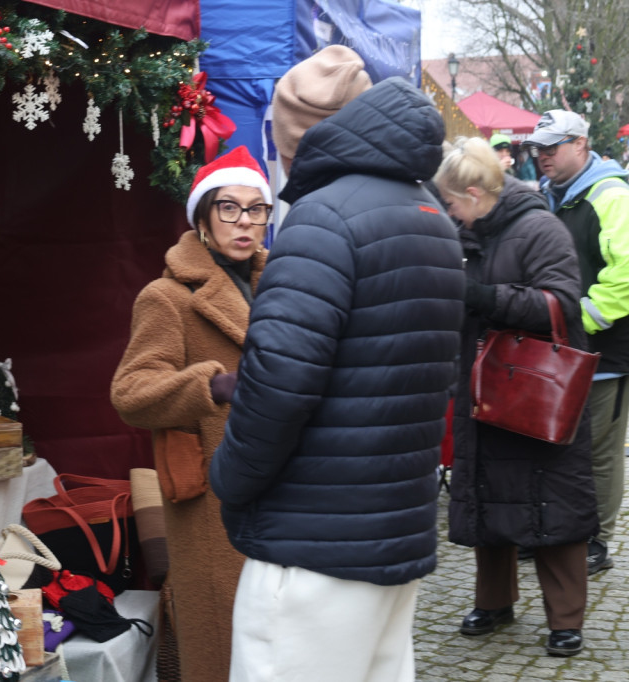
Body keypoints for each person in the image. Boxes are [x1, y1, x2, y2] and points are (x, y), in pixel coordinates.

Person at [209, 45, 465, 682]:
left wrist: (230, 478)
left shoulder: (322, 219)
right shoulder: (429, 214)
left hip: (314, 539)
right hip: (392, 526)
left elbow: (280, 383)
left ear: (296, 134)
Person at [110, 145, 273, 681]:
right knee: (220, 644)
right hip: (209, 498)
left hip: (282, 487)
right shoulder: (167, 296)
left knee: (273, 641)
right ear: (203, 219)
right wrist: (215, 384)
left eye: (256, 208)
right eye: (229, 207)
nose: (244, 221)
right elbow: (131, 392)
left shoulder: (280, 285)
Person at [435, 136, 598, 657]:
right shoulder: (466, 233)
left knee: (553, 503)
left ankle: (565, 618)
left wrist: (484, 298)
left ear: (476, 192)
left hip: (535, 388)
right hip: (484, 385)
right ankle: (495, 601)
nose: (450, 213)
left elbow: (561, 302)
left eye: (453, 202)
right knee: (487, 495)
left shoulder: (540, 228)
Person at [524, 109, 629, 575]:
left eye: (552, 146)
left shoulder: (611, 194)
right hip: (559, 345)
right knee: (555, 443)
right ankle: (555, 532)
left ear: (581, 143)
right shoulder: (551, 195)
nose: (542, 155)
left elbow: (624, 276)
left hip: (606, 349)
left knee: (601, 451)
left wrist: (578, 318)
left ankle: (596, 539)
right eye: (538, 148)